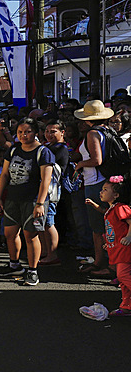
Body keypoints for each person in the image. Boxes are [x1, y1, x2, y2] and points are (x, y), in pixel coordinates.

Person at [0, 118, 55, 286]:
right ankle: (14, 264)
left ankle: (33, 270)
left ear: (36, 132)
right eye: (20, 132)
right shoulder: (13, 150)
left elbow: (46, 180)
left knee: (31, 235)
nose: (23, 135)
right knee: (10, 233)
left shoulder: (43, 152)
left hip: (33, 200)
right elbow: (5, 175)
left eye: (27, 131)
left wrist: (40, 204)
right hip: (12, 198)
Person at [74, 99, 113, 277]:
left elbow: (97, 160)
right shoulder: (107, 130)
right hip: (105, 181)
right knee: (106, 226)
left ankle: (101, 263)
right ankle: (107, 262)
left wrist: (80, 163)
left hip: (95, 182)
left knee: (98, 228)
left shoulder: (92, 134)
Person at [85, 176, 131, 317]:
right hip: (117, 249)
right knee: (122, 280)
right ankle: (126, 306)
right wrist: (109, 243)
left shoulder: (121, 208)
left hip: (125, 249)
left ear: (116, 195)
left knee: (123, 276)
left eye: (105, 190)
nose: (101, 192)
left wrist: (129, 236)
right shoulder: (112, 209)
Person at [40, 118, 70, 266]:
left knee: (49, 222)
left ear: (62, 132)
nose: (49, 134)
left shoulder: (60, 149)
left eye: (53, 131)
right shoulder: (48, 146)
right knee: (43, 222)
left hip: (51, 191)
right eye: (47, 131)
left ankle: (52, 255)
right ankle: (45, 252)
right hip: (43, 190)